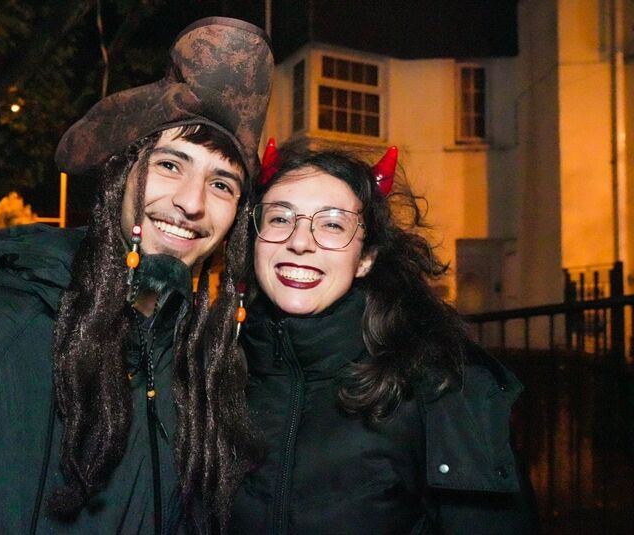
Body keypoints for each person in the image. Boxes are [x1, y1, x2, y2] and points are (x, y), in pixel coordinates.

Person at [0, 17, 272, 534]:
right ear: (121, 174)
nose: (192, 204)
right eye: (171, 165)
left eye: (222, 184)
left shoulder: (201, 359)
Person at [228, 145, 537, 534]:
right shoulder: (213, 372)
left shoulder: (442, 386)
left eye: (332, 224)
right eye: (279, 218)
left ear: (366, 258)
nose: (300, 241)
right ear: (253, 239)